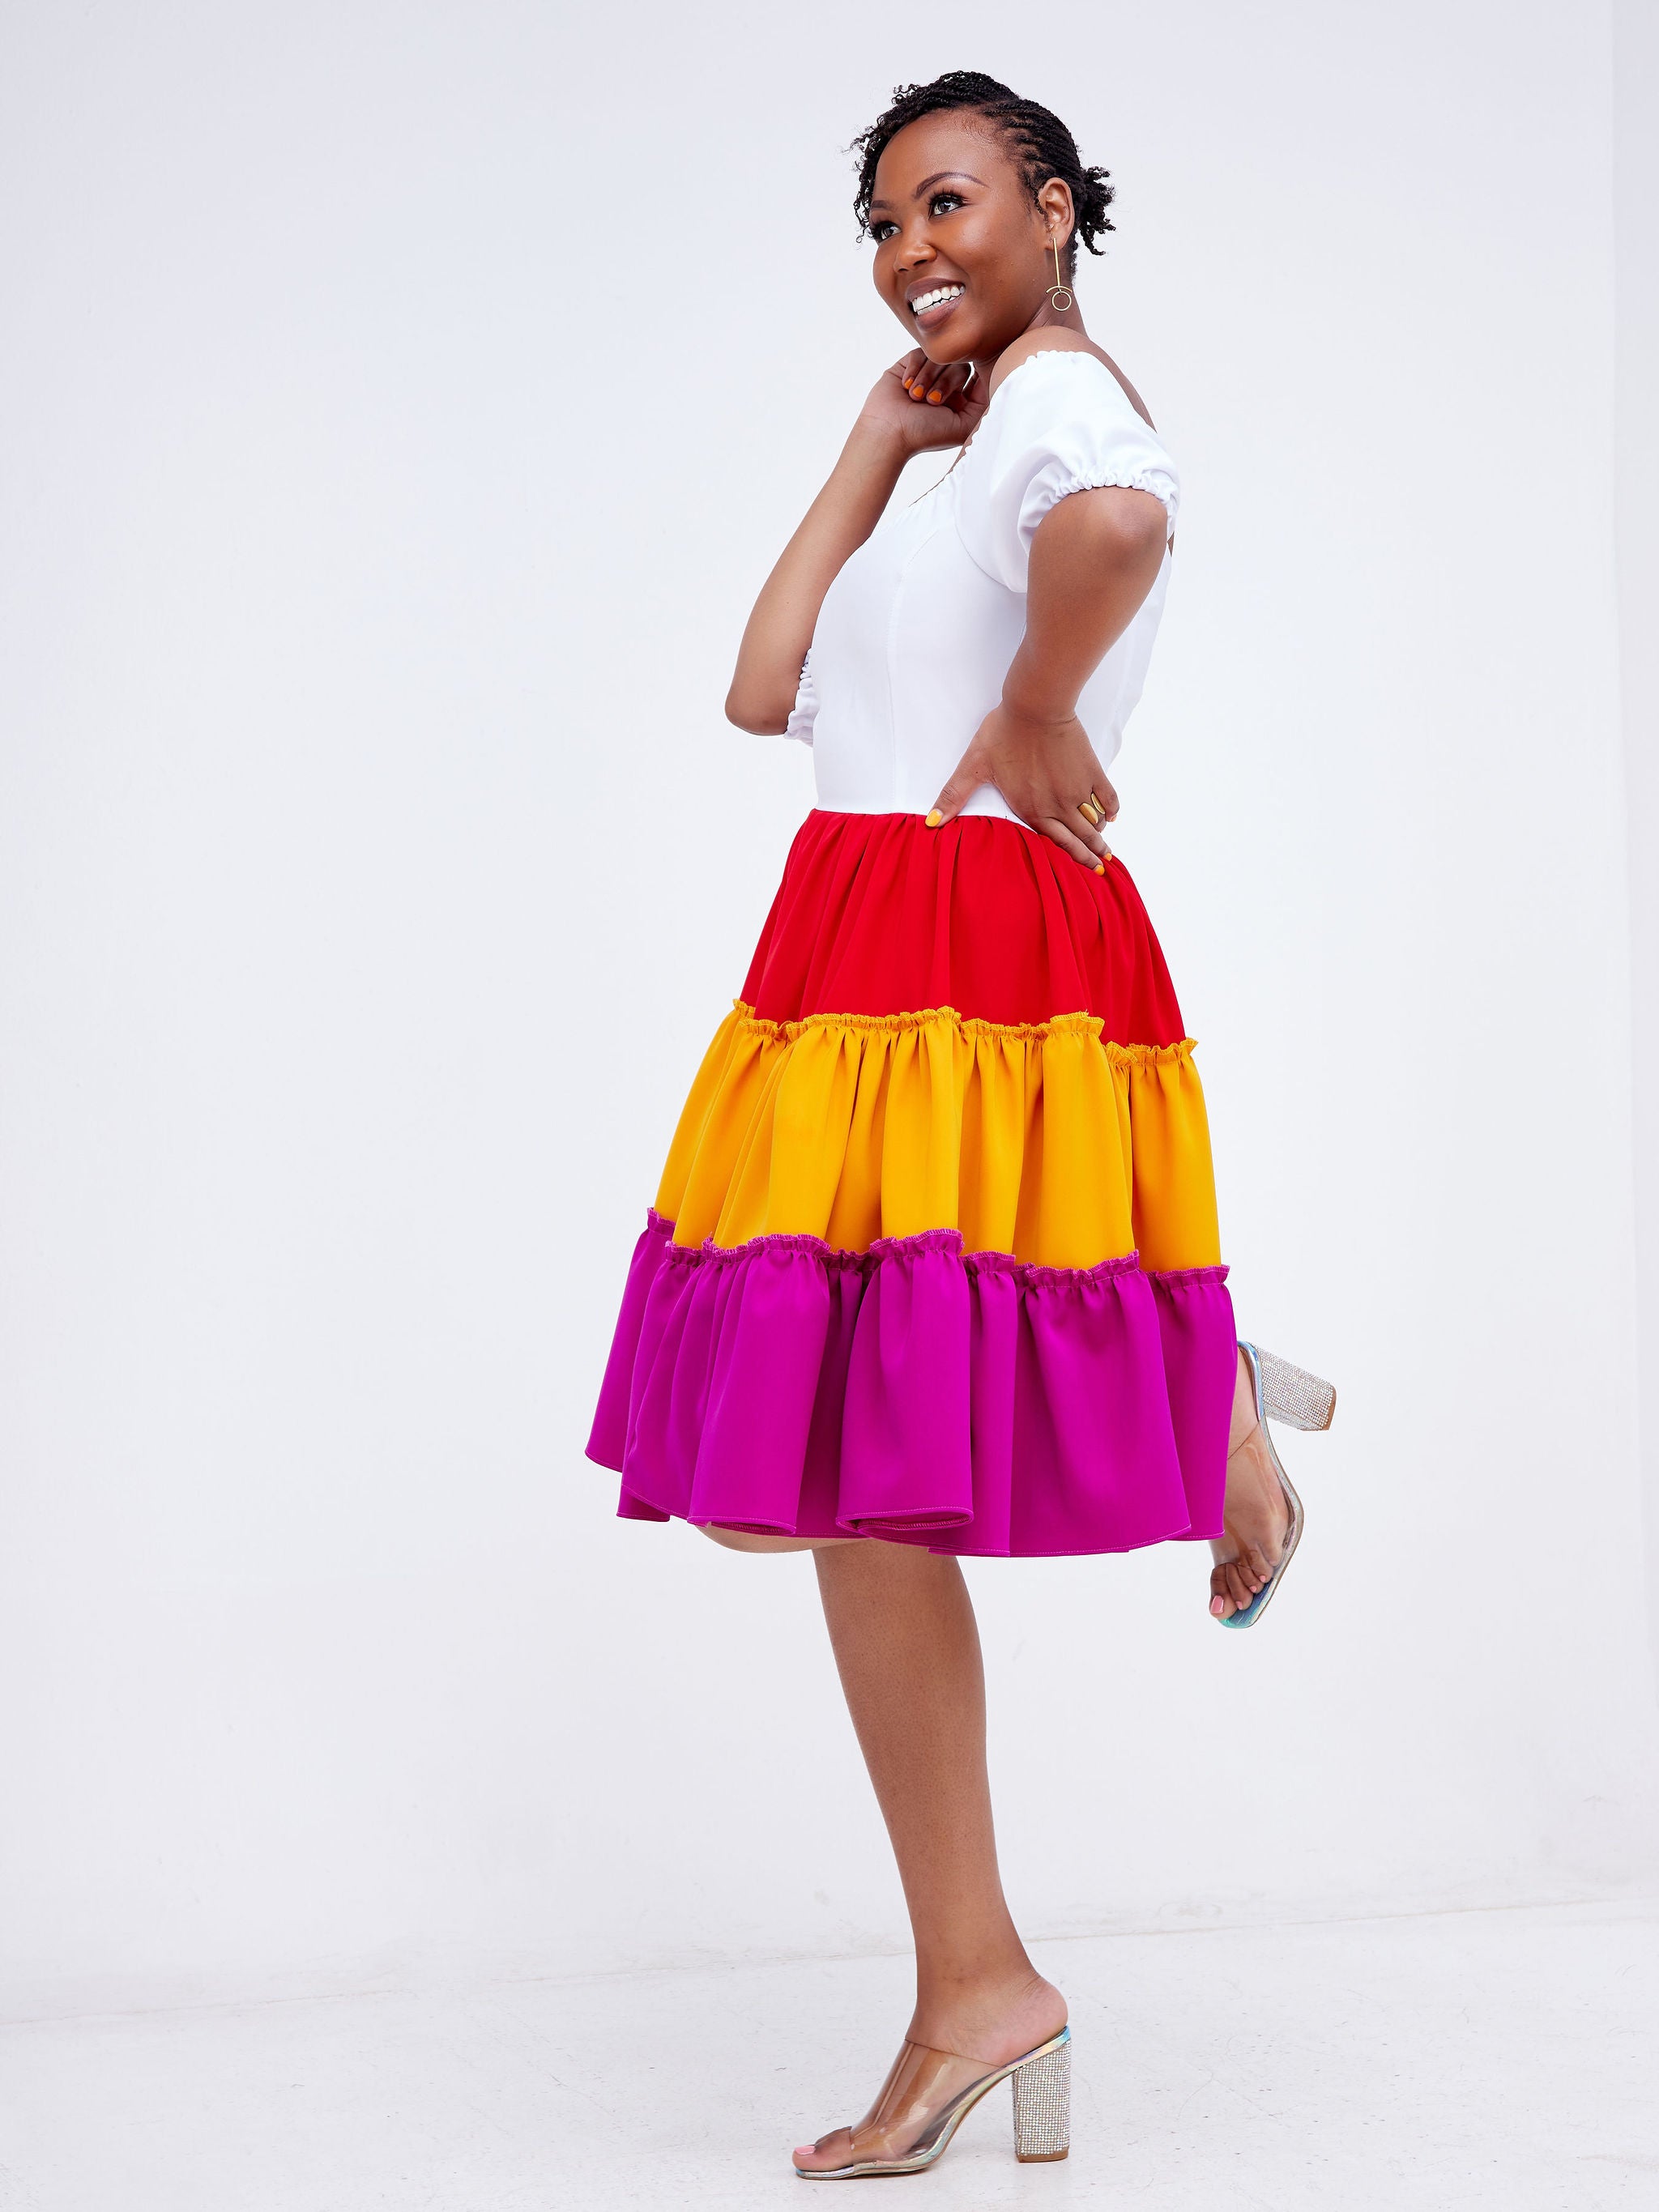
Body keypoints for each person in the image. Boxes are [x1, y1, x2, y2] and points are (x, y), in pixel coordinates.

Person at [586, 69, 1336, 2182]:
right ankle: (1196, 1375)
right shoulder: (963, 442)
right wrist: (869, 443)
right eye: (886, 224)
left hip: (964, 959)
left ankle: (975, 1986)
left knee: (838, 1473)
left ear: (1057, 207)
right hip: (861, 953)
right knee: (802, 1475)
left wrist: (1032, 712)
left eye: (951, 204)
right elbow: (764, 691)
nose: (913, 249)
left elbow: (1126, 523)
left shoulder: (1063, 403)